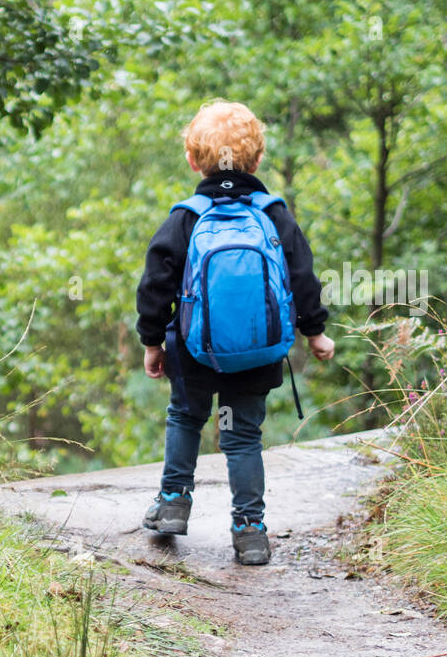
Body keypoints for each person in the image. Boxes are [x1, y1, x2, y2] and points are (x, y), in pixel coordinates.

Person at [135, 100, 334, 565]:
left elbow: (155, 283)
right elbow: (301, 276)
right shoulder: (273, 213)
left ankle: (173, 506)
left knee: (186, 417)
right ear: (258, 160)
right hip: (256, 351)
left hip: (194, 351)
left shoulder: (187, 217)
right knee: (242, 437)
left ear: (192, 159)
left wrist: (152, 341)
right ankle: (249, 530)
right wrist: (315, 332)